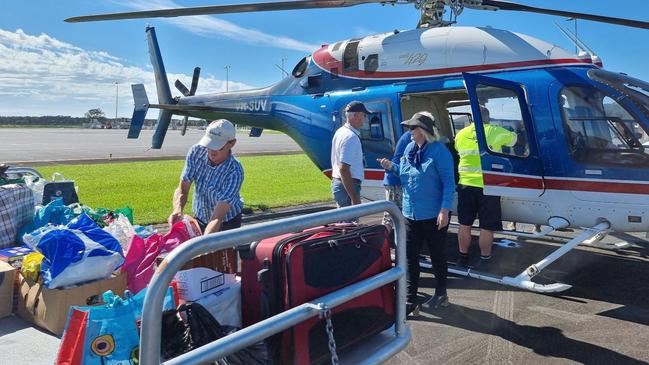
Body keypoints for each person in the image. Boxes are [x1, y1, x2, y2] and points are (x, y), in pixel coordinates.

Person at [378, 112, 455, 313]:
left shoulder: (439, 151)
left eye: (413, 128)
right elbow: (403, 173)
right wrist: (390, 167)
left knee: (437, 255)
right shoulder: (410, 149)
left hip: (433, 214)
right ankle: (410, 299)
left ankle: (441, 294)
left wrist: (445, 210)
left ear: (423, 131)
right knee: (410, 256)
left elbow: (449, 182)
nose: (409, 132)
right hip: (410, 213)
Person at [454, 106, 517, 267]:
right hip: (487, 186)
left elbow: (457, 150)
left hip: (465, 185)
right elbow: (514, 140)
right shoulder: (494, 131)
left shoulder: (460, 134)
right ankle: (485, 259)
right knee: (486, 226)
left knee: (464, 224)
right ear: (488, 118)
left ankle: (462, 258)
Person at [169, 119, 244, 235]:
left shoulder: (234, 171)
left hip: (227, 221)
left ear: (232, 143)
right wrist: (177, 210)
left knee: (220, 252)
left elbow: (217, 217)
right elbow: (183, 189)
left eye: (218, 147)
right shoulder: (196, 152)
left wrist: (203, 244)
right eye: (209, 144)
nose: (212, 152)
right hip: (200, 215)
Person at [330, 101, 370, 208]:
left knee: (344, 222)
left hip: (340, 184)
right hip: (347, 187)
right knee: (350, 223)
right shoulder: (351, 137)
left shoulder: (340, 131)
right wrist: (354, 198)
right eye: (364, 115)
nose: (365, 118)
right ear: (356, 115)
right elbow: (344, 168)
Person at [381, 129, 412, 231]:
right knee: (392, 216)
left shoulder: (408, 136)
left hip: (394, 178)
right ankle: (383, 242)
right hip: (395, 181)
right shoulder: (411, 137)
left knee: (394, 216)